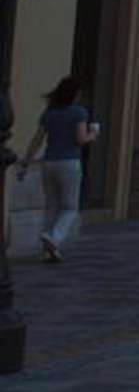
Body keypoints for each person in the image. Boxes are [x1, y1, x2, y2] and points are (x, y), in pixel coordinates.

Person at [16, 75, 95, 263]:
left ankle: (49, 250)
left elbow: (37, 139)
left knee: (51, 206)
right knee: (70, 208)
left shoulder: (50, 113)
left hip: (49, 162)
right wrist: (93, 134)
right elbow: (81, 140)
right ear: (75, 94)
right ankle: (54, 238)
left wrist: (26, 162)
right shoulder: (79, 112)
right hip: (69, 163)